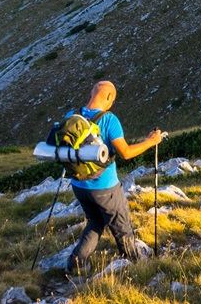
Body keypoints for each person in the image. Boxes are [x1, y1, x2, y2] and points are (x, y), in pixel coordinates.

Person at [65, 81, 165, 274]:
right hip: (105, 187)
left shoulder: (72, 117)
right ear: (109, 98)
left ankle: (76, 263)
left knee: (95, 221)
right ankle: (136, 267)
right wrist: (151, 141)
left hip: (79, 185)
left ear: (92, 92)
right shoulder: (109, 120)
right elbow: (125, 153)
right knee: (122, 227)